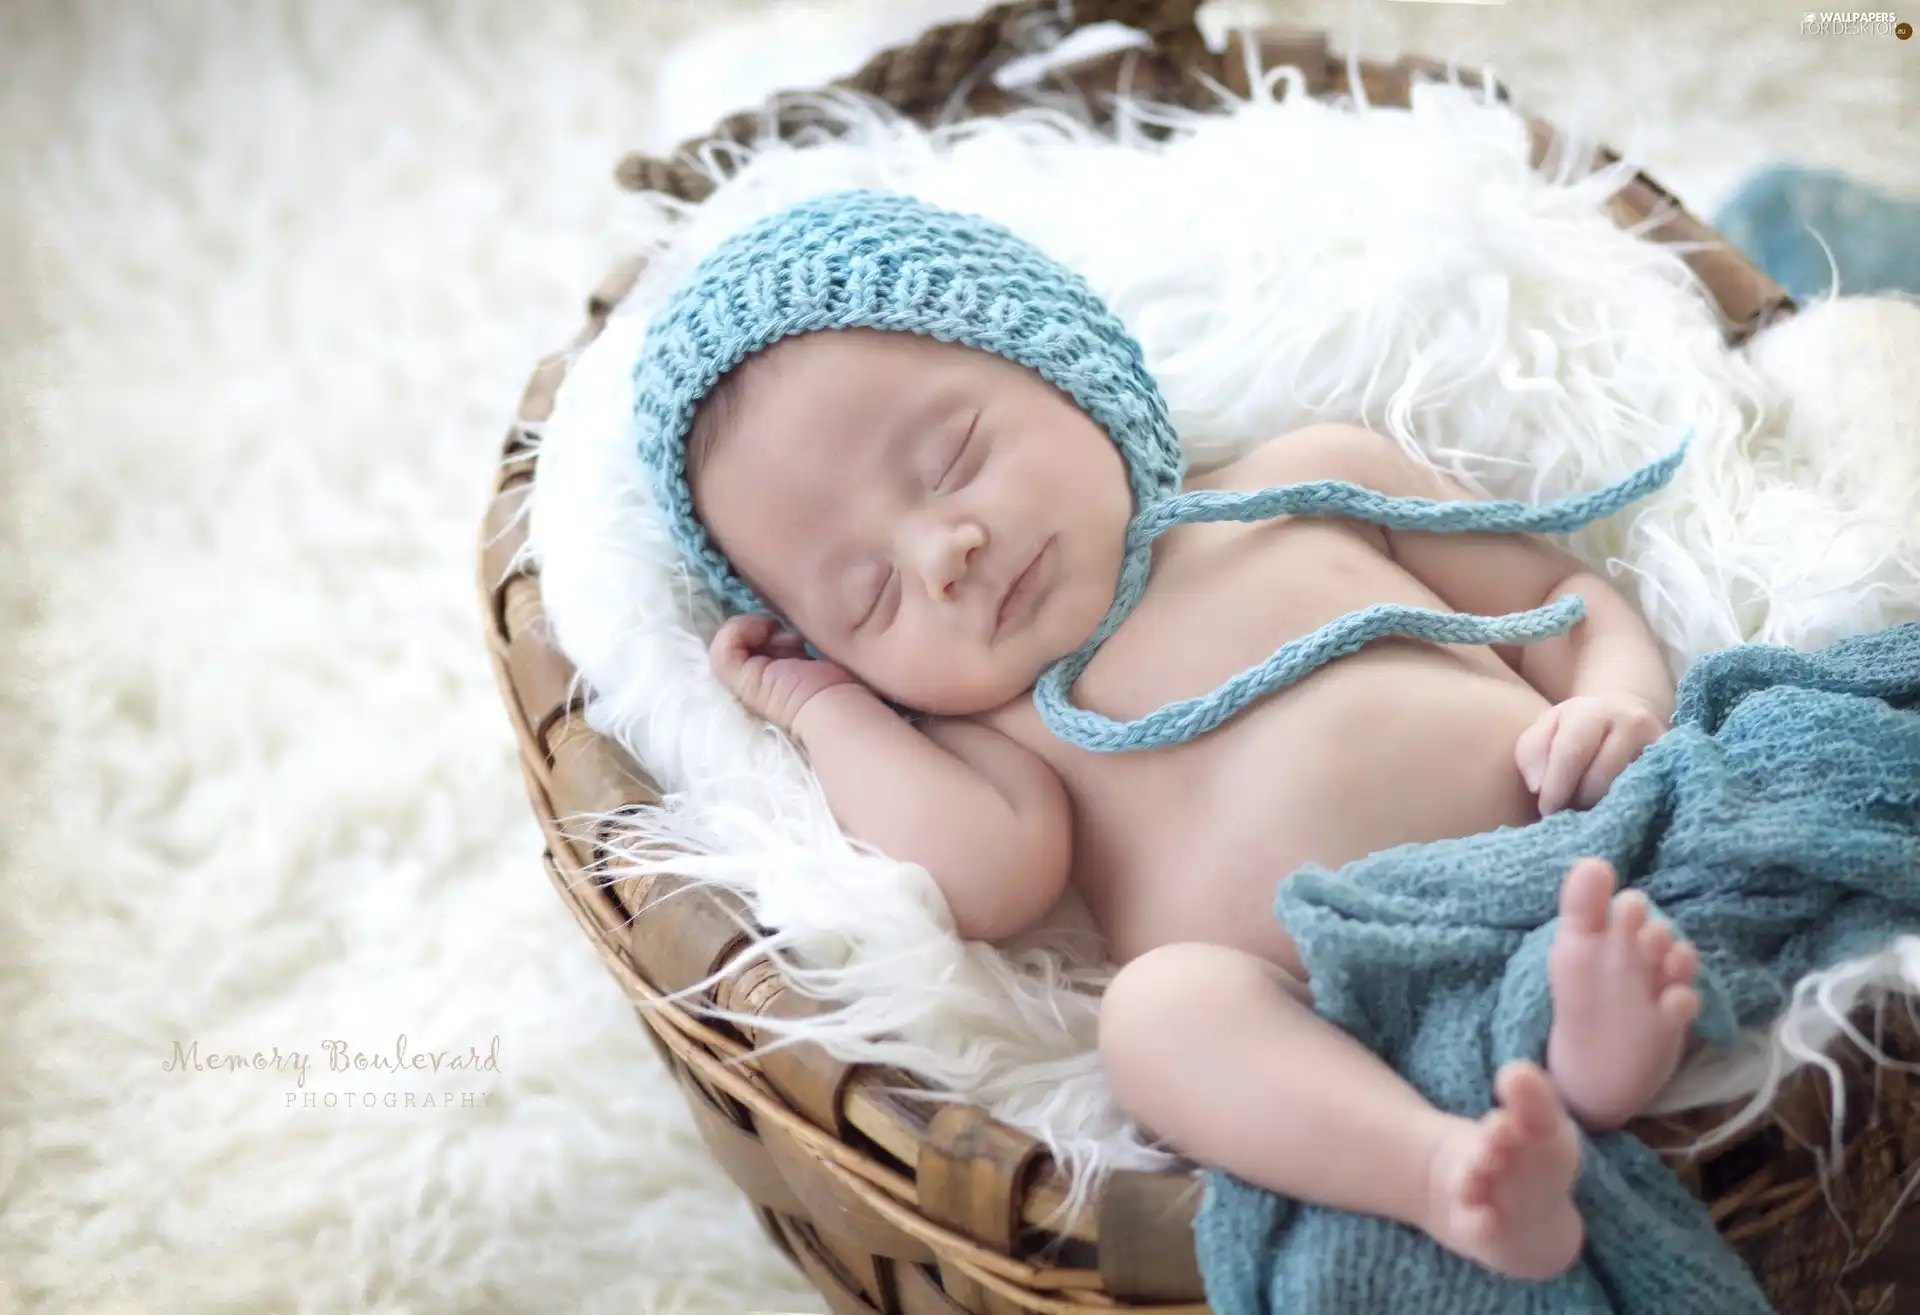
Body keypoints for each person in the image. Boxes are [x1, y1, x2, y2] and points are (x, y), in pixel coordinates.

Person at [631, 189, 1702, 1281]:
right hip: (1342, 1017)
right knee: (1151, 1018)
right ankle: (1449, 1169)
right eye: (869, 596)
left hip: (1561, 848)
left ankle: (1597, 1034)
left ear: (1062, 364)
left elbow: (1564, 596)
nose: (941, 551)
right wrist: (825, 708)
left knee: (1636, 885)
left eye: (951, 459)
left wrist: (1616, 705)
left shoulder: (1309, 483)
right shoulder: (1004, 730)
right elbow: (973, 877)